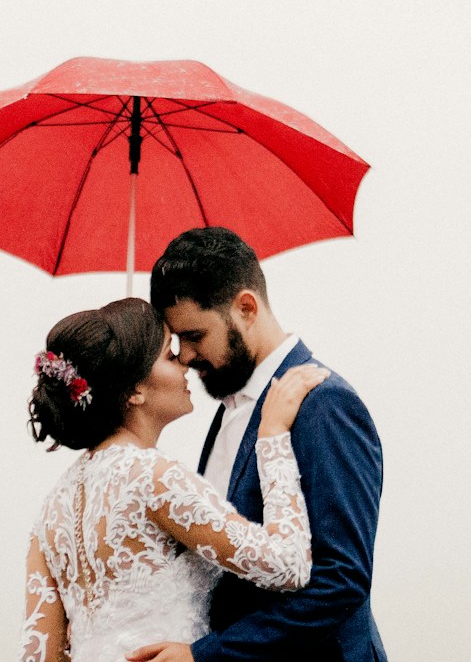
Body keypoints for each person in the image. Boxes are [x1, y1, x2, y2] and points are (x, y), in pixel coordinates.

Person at [22, 297, 332, 662]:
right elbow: (287, 565)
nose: (185, 363)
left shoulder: (50, 513)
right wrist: (273, 436)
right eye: (169, 357)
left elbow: (39, 656)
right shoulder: (152, 478)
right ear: (135, 390)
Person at [131, 227, 387, 662]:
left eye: (194, 336)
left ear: (245, 308)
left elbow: (341, 581)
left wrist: (206, 655)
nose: (186, 356)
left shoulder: (324, 404)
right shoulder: (226, 404)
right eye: (176, 342)